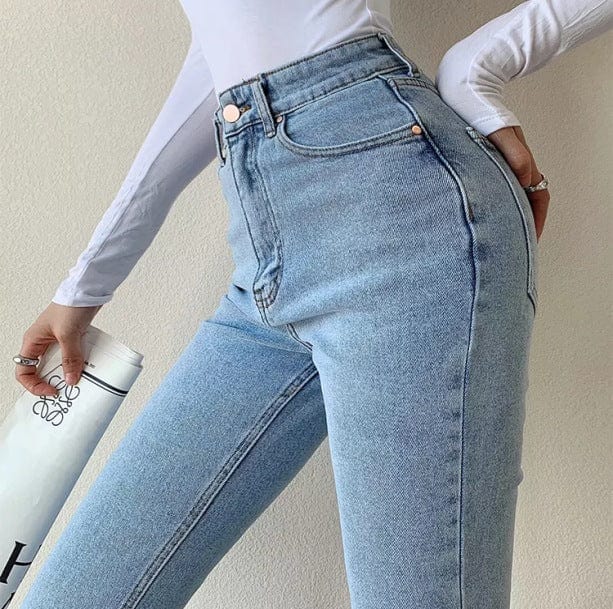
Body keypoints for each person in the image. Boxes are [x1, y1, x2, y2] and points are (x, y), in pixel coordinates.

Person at [14, 1, 613, 608]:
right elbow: (223, 46)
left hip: (401, 217)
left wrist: (476, 65)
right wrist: (86, 284)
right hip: (266, 246)